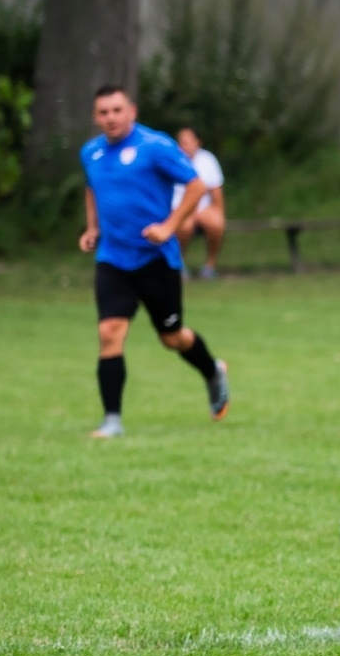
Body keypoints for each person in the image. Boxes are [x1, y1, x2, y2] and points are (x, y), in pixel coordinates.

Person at [79, 86, 230, 439]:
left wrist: (170, 226)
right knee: (109, 333)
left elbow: (195, 186)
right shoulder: (92, 152)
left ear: (131, 111)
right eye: (103, 112)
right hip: (113, 259)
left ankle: (212, 371)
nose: (110, 118)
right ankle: (112, 421)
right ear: (95, 116)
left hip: (156, 260)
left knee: (173, 338)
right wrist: (92, 227)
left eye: (117, 110)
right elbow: (91, 188)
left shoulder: (156, 146)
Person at [172, 127, 226, 280]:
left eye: (187, 142)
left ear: (198, 142)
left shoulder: (208, 160)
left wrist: (218, 214)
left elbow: (216, 193)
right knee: (185, 224)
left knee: (216, 222)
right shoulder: (172, 160)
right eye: (180, 142)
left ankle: (210, 266)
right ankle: (178, 264)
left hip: (202, 209)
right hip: (178, 208)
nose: (183, 146)